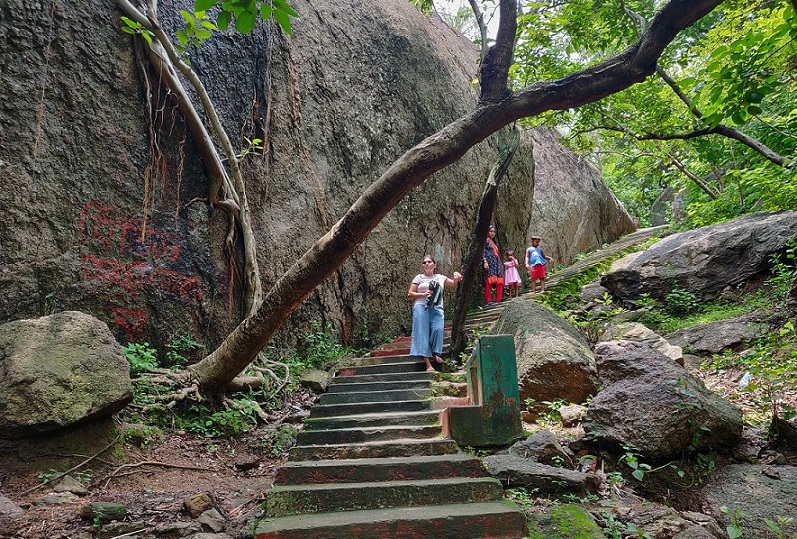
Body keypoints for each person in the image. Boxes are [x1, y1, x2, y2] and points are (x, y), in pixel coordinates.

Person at [407, 256, 463, 372]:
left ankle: (433, 353)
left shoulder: (440, 277)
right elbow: (410, 294)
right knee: (422, 333)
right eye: (424, 262)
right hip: (421, 307)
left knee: (438, 329)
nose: (426, 264)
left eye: (429, 262)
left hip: (437, 307)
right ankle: (428, 364)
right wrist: (422, 294)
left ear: (434, 265)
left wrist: (456, 274)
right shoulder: (419, 278)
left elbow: (453, 283)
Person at [482, 225, 504, 304]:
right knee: (489, 281)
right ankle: (489, 300)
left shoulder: (493, 242)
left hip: (497, 263)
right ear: (487, 232)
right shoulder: (485, 241)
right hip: (490, 263)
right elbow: (482, 252)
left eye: (494, 232)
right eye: (491, 231)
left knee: (500, 281)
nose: (493, 233)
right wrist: (485, 262)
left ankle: (498, 300)